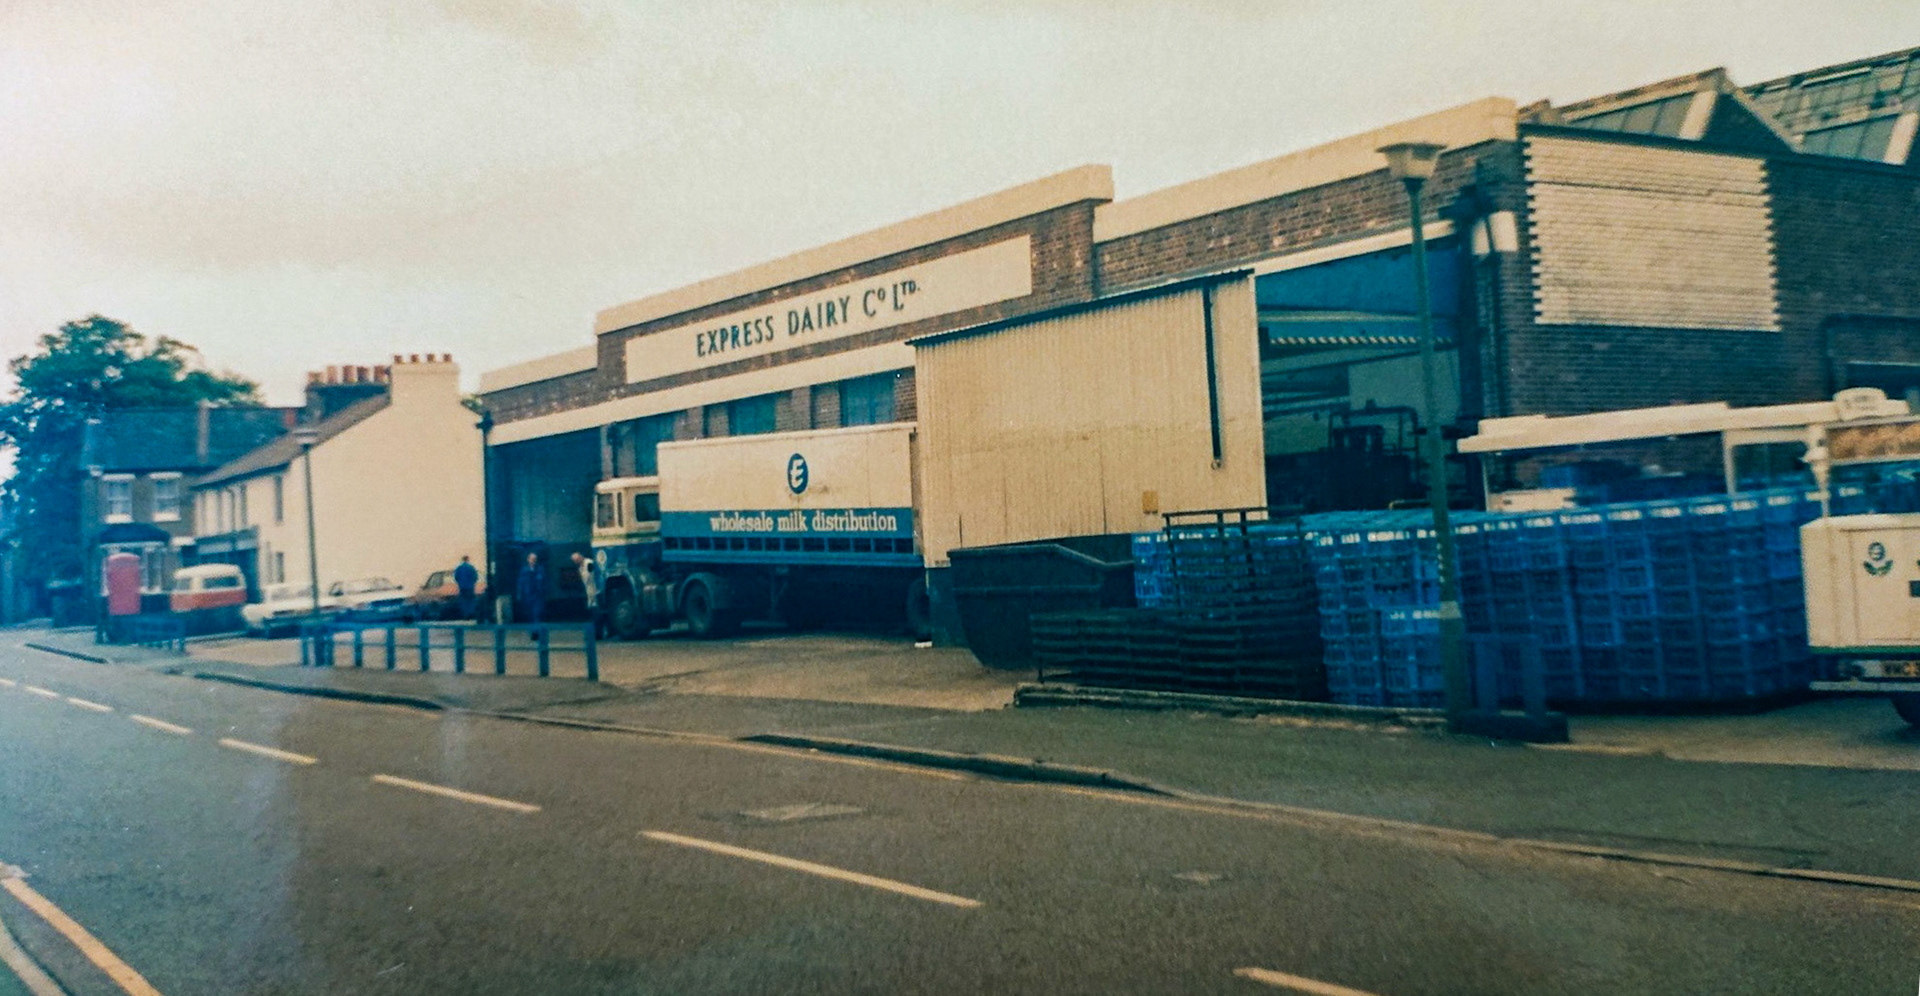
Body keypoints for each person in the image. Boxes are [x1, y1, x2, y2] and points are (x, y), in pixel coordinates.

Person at [572, 551, 605, 638]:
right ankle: (597, 633)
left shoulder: (589, 563)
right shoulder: (580, 568)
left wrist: (598, 590)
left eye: (577, 559)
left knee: (597, 613)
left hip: (595, 591)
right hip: (589, 593)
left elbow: (594, 576)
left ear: (581, 557)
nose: (576, 561)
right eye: (575, 561)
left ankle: (599, 633)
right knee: (593, 613)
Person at [514, 552, 547, 624]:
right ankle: (532, 630)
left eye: (535, 559)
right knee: (529, 613)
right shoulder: (524, 570)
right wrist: (519, 594)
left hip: (538, 594)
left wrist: (543, 591)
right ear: (528, 559)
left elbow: (544, 581)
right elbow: (520, 583)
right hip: (527, 594)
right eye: (532, 559)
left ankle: (537, 630)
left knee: (537, 613)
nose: (533, 561)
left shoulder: (540, 569)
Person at [453, 555, 480, 620]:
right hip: (470, 587)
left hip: (462, 587)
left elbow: (456, 577)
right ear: (468, 560)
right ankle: (471, 613)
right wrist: (472, 582)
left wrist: (460, 583)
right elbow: (475, 577)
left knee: (463, 600)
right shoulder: (471, 568)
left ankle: (465, 614)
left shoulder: (459, 568)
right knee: (471, 600)